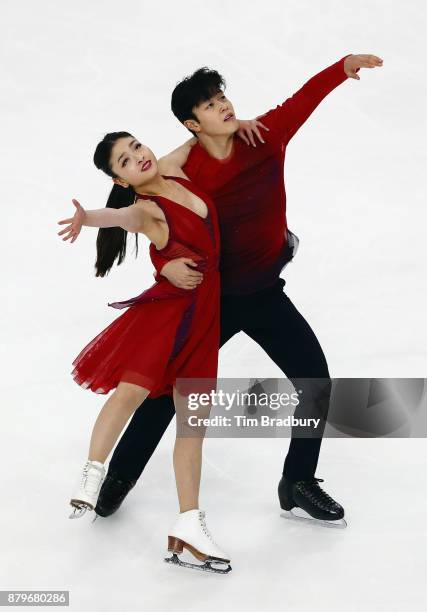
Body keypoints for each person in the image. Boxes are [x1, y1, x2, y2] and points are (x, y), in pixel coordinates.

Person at [95, 53, 383, 528]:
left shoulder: (264, 137)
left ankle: (297, 482)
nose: (223, 105)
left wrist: (342, 66)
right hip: (213, 300)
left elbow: (303, 99)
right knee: (168, 391)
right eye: (209, 104)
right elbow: (153, 218)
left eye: (222, 96)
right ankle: (120, 475)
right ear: (192, 123)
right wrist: (165, 267)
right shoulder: (178, 169)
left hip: (266, 292)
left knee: (314, 380)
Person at [58, 131, 234, 572]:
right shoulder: (146, 208)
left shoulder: (172, 169)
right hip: (168, 317)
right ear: (119, 178)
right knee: (131, 393)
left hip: (203, 320)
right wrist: (88, 219)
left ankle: (189, 523)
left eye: (136, 146)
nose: (138, 156)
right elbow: (121, 218)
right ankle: (93, 472)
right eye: (124, 160)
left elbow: (198, 140)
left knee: (193, 429)